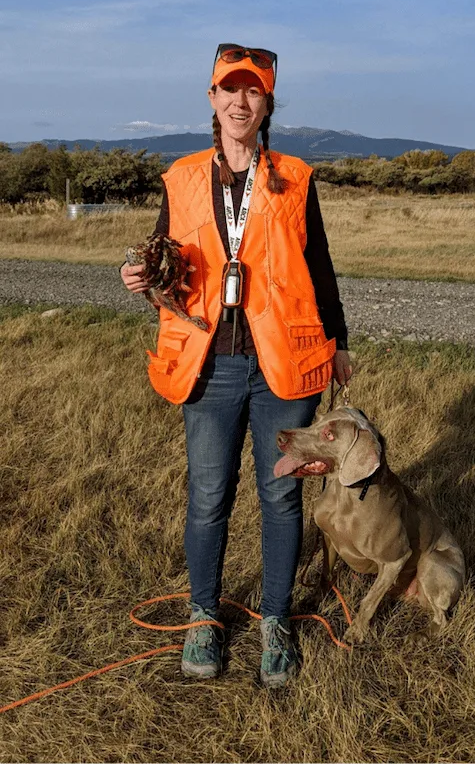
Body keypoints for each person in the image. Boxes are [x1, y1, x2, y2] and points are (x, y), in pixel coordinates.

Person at [120, 43, 352, 688]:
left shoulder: (295, 178)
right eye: (230, 90)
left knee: (280, 497)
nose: (240, 102)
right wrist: (138, 276)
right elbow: (165, 256)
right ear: (212, 99)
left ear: (267, 103)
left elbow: (321, 267)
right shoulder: (184, 177)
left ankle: (276, 622)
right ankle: (204, 616)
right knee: (207, 497)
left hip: (285, 360)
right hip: (208, 364)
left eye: (253, 92)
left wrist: (340, 342)